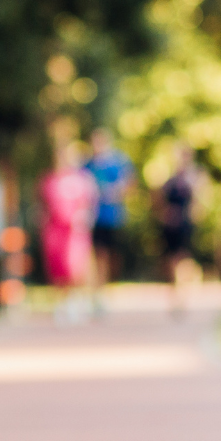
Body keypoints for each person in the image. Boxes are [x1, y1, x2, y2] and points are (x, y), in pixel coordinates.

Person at [39, 140, 99, 323]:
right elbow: (43, 207)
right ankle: (62, 304)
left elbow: (90, 204)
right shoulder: (49, 180)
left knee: (77, 267)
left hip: (75, 233)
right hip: (55, 231)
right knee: (58, 268)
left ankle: (78, 303)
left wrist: (84, 218)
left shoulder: (82, 180)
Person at [85, 128, 136, 316]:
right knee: (97, 255)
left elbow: (130, 183)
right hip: (92, 218)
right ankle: (97, 295)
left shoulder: (118, 162)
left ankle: (105, 289)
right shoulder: (87, 164)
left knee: (110, 257)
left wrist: (115, 191)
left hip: (113, 217)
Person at [152, 144, 203, 316]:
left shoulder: (195, 177)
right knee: (170, 261)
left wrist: (190, 216)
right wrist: (165, 215)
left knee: (184, 259)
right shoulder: (170, 179)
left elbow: (200, 202)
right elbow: (159, 200)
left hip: (186, 225)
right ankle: (174, 296)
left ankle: (183, 296)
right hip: (170, 226)